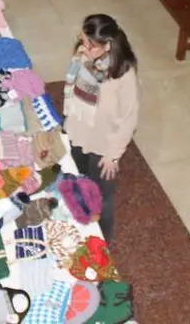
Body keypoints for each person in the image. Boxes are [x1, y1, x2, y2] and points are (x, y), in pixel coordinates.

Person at [62, 14, 140, 244]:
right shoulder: (84, 55)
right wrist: (80, 61)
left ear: (107, 46)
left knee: (101, 199)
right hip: (77, 133)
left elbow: (129, 119)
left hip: (102, 145)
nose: (83, 47)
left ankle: (102, 245)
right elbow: (73, 90)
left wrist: (113, 156)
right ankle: (80, 224)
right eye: (83, 39)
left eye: (90, 45)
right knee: (77, 181)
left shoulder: (123, 75)